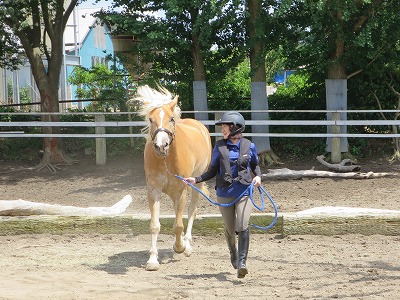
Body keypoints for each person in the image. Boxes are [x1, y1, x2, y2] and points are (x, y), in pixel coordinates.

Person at [185, 111, 262, 279]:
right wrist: (196, 179)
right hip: (224, 193)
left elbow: (255, 166)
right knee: (230, 227)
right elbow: (212, 170)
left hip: (244, 191)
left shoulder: (249, 146)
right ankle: (233, 251)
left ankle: (242, 263)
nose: (223, 130)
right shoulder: (219, 147)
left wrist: (258, 177)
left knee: (242, 225)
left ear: (235, 128)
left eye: (225, 127)